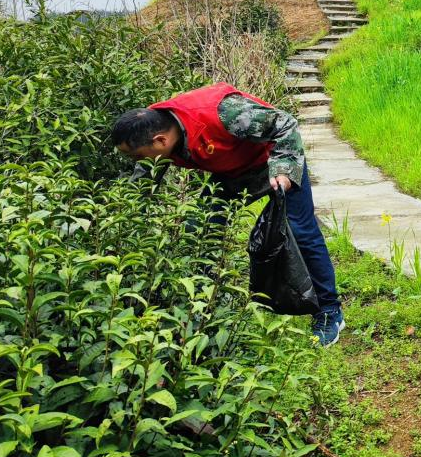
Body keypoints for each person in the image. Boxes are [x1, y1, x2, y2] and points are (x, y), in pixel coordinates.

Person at [110, 82, 344, 346]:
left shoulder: (226, 113)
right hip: (233, 173)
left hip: (274, 161)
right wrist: (124, 211)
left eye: (137, 156)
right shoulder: (156, 127)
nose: (137, 162)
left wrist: (283, 169)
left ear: (160, 142)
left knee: (300, 229)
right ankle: (202, 306)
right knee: (198, 230)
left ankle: (329, 311)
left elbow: (286, 124)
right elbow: (144, 180)